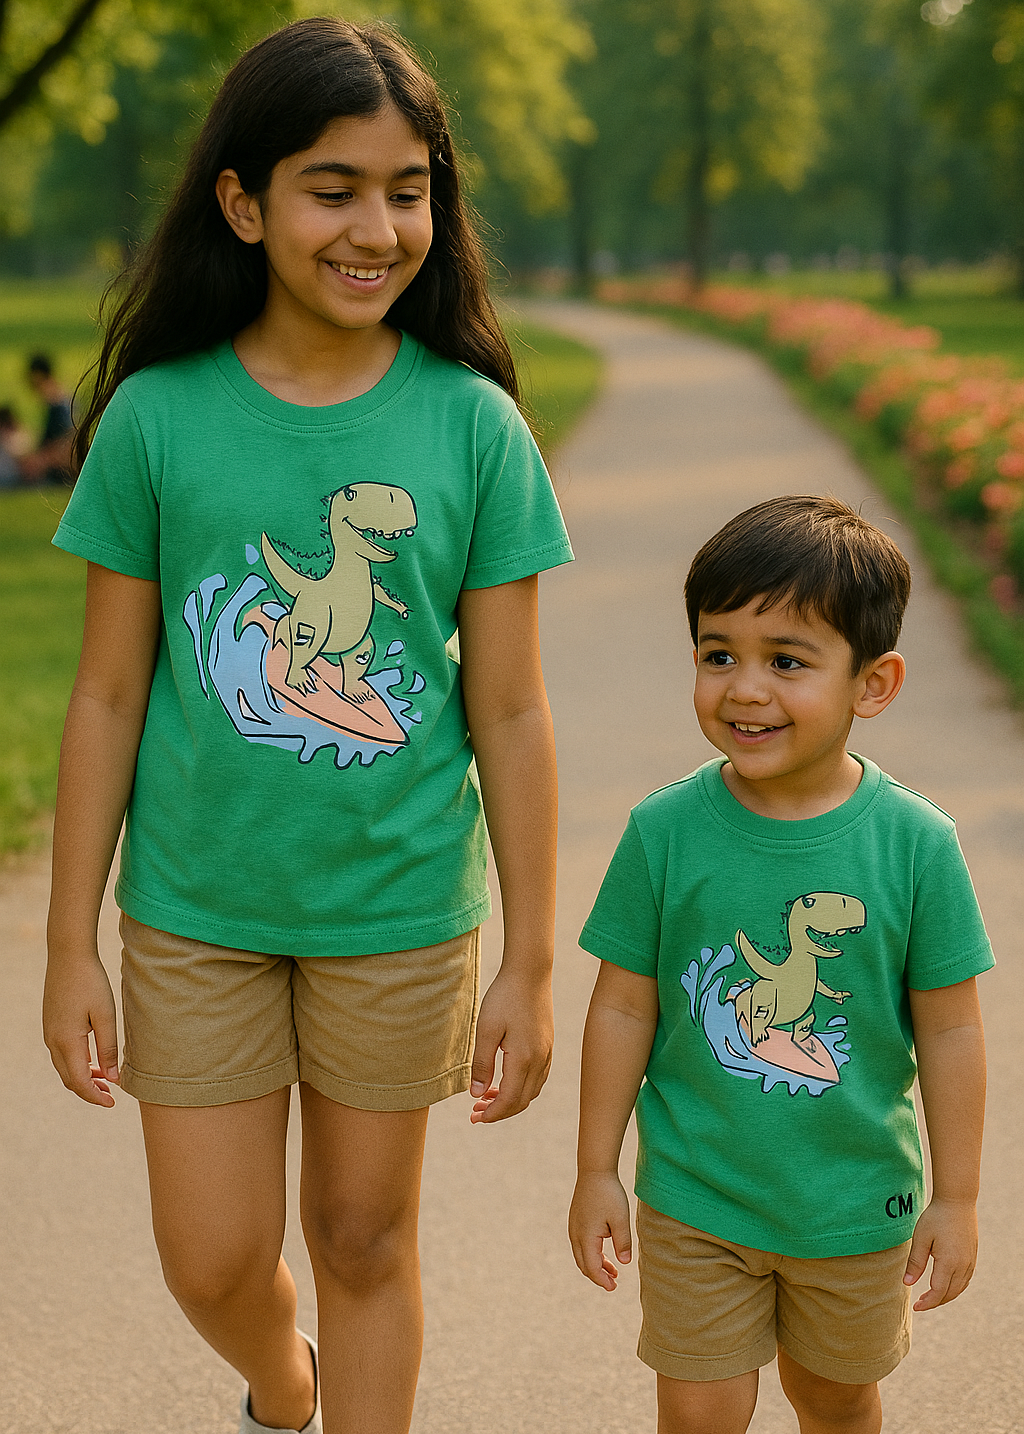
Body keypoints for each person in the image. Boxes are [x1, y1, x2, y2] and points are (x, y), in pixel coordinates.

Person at [43, 18, 572, 1434]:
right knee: (209, 1255)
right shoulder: (156, 419)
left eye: (409, 189)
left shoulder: (473, 427)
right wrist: (64, 940)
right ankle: (285, 1382)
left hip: (398, 908)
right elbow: (103, 692)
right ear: (245, 201)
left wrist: (529, 953)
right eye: (333, 187)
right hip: (198, 905)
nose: (378, 225)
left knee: (363, 1239)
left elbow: (511, 708)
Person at [568, 495, 991, 1434]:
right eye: (719, 655)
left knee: (834, 1399)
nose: (744, 689)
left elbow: (953, 1028)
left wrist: (956, 1197)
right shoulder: (664, 832)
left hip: (851, 1201)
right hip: (696, 1191)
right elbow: (623, 1008)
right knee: (700, 1407)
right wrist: (597, 1166)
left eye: (786, 662)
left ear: (872, 685)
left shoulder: (917, 847)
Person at [20, 354, 74, 484]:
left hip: (59, 468)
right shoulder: (60, 401)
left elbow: (67, 440)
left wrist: (41, 460)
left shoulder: (57, 403)